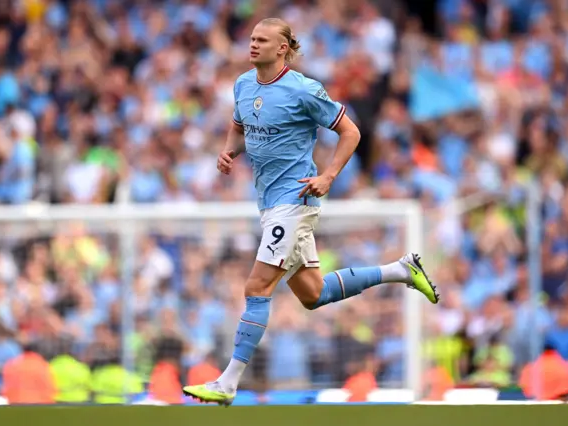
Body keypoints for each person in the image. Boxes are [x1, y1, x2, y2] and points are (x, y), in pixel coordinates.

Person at [182, 17, 439, 406]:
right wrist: (228, 151)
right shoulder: (243, 84)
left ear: (282, 48)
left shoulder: (303, 89)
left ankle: (228, 383)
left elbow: (351, 131)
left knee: (256, 287)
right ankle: (401, 270)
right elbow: (239, 128)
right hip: (268, 202)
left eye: (262, 40)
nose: (253, 45)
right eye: (251, 38)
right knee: (312, 294)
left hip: (296, 199)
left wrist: (329, 175)